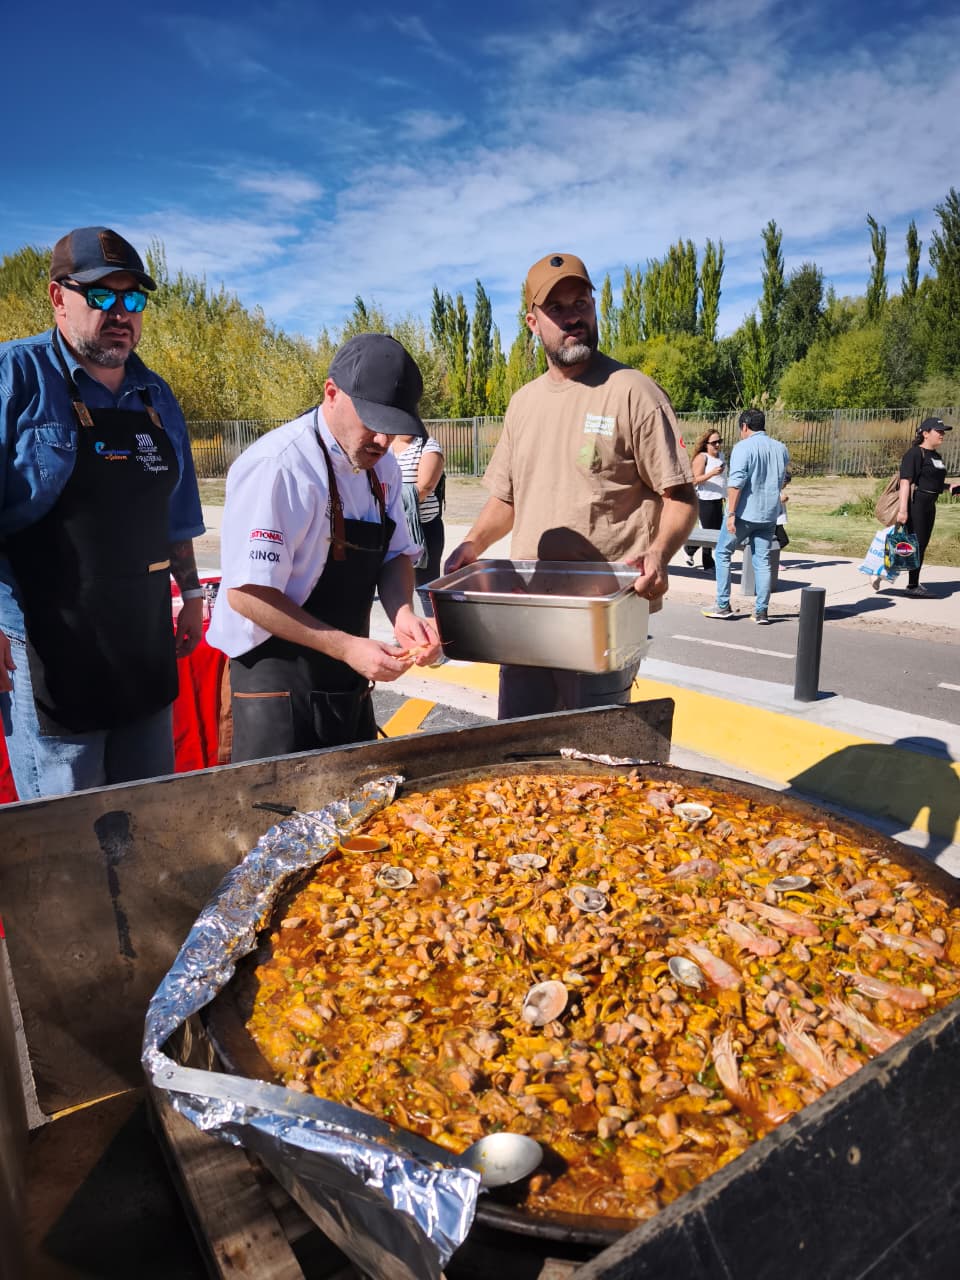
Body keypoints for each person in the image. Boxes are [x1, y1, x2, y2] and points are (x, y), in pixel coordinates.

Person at [444, 252, 696, 719]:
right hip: (527, 615)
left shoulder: (633, 391)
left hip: (599, 619)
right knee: (519, 749)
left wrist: (659, 552)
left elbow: (680, 498)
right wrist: (473, 544)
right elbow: (507, 498)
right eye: (555, 309)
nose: (572, 316)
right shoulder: (523, 403)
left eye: (580, 302)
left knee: (589, 762)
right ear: (532, 323)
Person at [0, 226, 205, 800]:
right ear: (57, 297)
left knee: (148, 814)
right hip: (49, 647)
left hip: (142, 639)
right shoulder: (16, 377)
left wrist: (191, 597)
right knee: (68, 826)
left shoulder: (155, 395)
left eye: (133, 298)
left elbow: (177, 509)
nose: (120, 313)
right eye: (102, 295)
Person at [207, 333, 441, 762]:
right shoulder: (279, 467)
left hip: (345, 681)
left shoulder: (382, 467)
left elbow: (395, 554)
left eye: (394, 427)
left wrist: (403, 612)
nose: (384, 441)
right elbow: (245, 594)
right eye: (372, 420)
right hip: (273, 686)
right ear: (331, 393)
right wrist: (348, 646)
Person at [702, 408, 789, 625]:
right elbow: (782, 480)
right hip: (769, 514)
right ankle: (761, 611)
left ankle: (723, 605)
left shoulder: (743, 448)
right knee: (762, 561)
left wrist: (730, 513)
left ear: (744, 426)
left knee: (722, 552)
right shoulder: (781, 448)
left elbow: (736, 484)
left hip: (743, 513)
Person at [895, 417, 960, 596]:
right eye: (938, 431)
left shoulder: (936, 456)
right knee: (914, 544)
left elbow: (932, 481)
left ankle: (905, 580)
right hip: (916, 504)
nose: (942, 434)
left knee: (919, 545)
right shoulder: (915, 453)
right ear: (925, 433)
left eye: (943, 431)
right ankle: (910, 584)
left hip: (930, 505)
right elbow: (905, 482)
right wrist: (903, 510)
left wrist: (949, 487)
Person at [390, 430, 445, 615]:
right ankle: (405, 633)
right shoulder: (385, 445)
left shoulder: (428, 446)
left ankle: (436, 632)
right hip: (392, 529)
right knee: (395, 586)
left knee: (426, 588)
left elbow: (425, 486)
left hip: (424, 530)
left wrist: (387, 501)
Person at [683, 428, 726, 571]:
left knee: (716, 531)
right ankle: (708, 563)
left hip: (718, 498)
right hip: (704, 499)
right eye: (714, 442)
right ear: (706, 444)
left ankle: (689, 549)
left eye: (720, 441)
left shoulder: (722, 456)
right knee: (707, 531)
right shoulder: (702, 457)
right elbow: (694, 480)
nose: (718, 445)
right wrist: (712, 473)